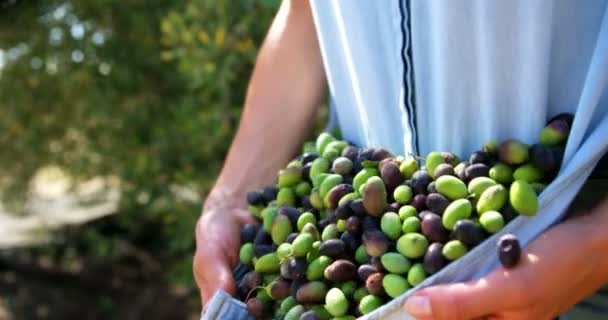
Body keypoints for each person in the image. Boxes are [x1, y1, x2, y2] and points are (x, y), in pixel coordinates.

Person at [194, 1, 608, 319]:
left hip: (570, 236)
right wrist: (230, 198)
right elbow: (305, 11)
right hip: (354, 229)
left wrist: (596, 242)